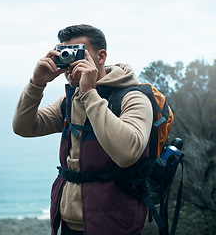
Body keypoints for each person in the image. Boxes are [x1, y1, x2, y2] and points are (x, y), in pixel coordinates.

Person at [12, 24, 153, 235]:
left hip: (115, 225)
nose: (70, 63)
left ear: (101, 56)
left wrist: (89, 92)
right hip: (70, 222)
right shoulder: (70, 101)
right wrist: (37, 83)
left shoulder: (133, 98)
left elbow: (127, 154)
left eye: (78, 53)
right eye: (65, 54)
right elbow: (24, 127)